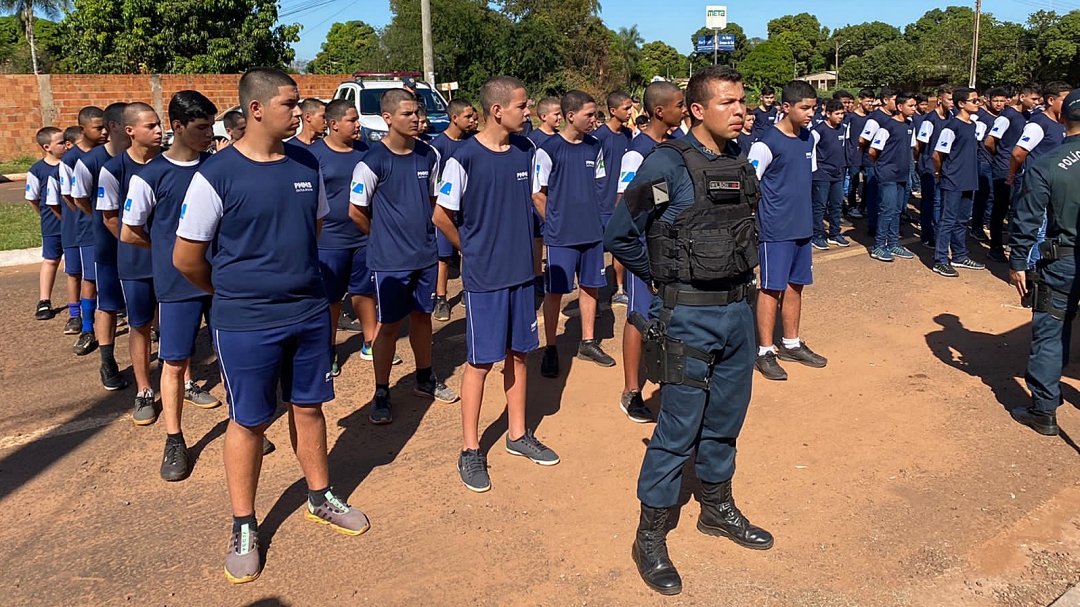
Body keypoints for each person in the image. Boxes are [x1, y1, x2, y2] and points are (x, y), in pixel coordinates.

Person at [175, 68, 370, 585]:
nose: (299, 111)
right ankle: (244, 523)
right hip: (245, 321)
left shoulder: (305, 162)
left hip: (308, 312)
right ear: (257, 109)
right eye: (289, 103)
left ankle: (319, 495)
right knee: (250, 420)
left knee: (309, 407)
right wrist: (232, 292)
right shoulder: (216, 175)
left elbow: (316, 224)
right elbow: (186, 256)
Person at [604, 65, 772, 597]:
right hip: (689, 317)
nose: (741, 110)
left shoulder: (738, 163)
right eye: (728, 102)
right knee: (678, 429)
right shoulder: (667, 166)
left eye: (742, 101)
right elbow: (620, 234)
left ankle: (716, 508)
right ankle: (650, 533)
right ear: (697, 110)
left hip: (738, 313)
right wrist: (664, 278)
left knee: (726, 418)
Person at [433, 75, 559, 493]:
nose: (529, 112)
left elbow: (537, 200)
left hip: (522, 274)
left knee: (520, 354)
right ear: (497, 110)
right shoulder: (464, 157)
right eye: (523, 106)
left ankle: (518, 434)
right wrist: (467, 249)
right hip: (485, 279)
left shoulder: (527, 151)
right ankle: (470, 449)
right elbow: (441, 216)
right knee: (480, 361)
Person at [119, 91, 223, 481]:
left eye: (211, 127)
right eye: (200, 128)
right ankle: (175, 439)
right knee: (175, 360)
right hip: (177, 284)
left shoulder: (217, 167)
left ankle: (240, 423)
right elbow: (130, 233)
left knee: (227, 352)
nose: (209, 135)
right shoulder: (151, 176)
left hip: (220, 280)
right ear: (177, 127)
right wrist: (170, 249)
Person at [349, 88, 460, 426]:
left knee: (423, 318)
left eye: (417, 112)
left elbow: (432, 203)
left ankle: (424, 378)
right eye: (407, 113)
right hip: (389, 262)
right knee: (389, 325)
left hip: (424, 256)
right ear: (387, 118)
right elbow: (355, 211)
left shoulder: (428, 156)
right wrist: (383, 237)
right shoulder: (372, 160)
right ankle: (381, 391)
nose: (416, 119)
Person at [1006, 88, 1080, 437]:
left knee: (1050, 333)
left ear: (1063, 117)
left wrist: (1018, 261)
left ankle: (1044, 410)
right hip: (1064, 258)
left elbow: (1026, 218)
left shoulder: (1048, 163)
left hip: (1061, 260)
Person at [614, 80, 685, 424]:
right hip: (644, 248)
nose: (684, 110)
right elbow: (626, 203)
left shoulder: (676, 147)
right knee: (639, 315)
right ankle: (631, 391)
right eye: (679, 105)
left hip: (672, 248)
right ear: (660, 111)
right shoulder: (636, 151)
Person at [533, 90, 617, 377]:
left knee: (591, 287)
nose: (595, 120)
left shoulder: (594, 146)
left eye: (595, 114)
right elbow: (537, 194)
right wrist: (555, 223)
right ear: (571, 116)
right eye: (589, 115)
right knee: (555, 291)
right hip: (561, 237)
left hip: (591, 233)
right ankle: (551, 348)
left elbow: (597, 184)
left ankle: (588, 342)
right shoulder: (548, 149)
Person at [749, 80, 828, 382]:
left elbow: (804, 179)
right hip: (775, 229)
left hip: (802, 227)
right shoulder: (766, 143)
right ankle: (765, 351)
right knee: (770, 288)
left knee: (796, 286)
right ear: (786, 107)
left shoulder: (809, 139)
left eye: (813, 108)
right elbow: (750, 185)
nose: (811, 113)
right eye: (805, 108)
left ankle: (791, 343)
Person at [98, 103, 163, 422]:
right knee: (140, 324)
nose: (159, 130)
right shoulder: (114, 169)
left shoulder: (168, 164)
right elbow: (111, 219)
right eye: (150, 126)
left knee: (175, 320)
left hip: (171, 260)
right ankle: (144, 389)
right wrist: (146, 245)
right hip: (136, 260)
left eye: (159, 124)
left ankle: (187, 380)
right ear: (130, 131)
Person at [308, 99, 373, 378]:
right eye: (352, 120)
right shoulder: (314, 155)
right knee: (332, 299)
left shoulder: (365, 150)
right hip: (329, 240)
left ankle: (372, 343)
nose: (358, 124)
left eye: (358, 119)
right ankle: (328, 348)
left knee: (365, 292)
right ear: (333, 124)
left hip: (363, 236)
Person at [73, 102, 129, 388]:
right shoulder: (91, 161)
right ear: (116, 127)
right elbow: (80, 198)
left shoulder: (146, 158)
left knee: (151, 302)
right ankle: (107, 361)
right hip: (108, 244)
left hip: (141, 245)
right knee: (107, 304)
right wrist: (100, 218)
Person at [1008, 81, 1072, 272]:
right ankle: (1029, 269)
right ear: (1051, 100)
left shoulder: (1062, 124)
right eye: (1065, 100)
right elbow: (1018, 153)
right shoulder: (1039, 124)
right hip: (1038, 186)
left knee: (1047, 230)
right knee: (1036, 229)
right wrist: (1013, 174)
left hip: (1056, 187)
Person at [62, 106, 109, 357]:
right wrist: (93, 217)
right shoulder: (71, 159)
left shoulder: (110, 153)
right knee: (89, 278)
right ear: (82, 130)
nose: (104, 132)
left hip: (113, 226)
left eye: (105, 127)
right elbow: (72, 197)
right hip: (89, 229)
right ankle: (88, 328)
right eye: (98, 128)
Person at [931, 86, 988, 277]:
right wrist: (941, 173)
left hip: (969, 179)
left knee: (962, 220)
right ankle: (940, 260)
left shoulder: (972, 125)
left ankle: (960, 255)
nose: (978, 103)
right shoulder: (952, 127)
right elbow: (937, 154)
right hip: (952, 179)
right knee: (947, 220)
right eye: (974, 100)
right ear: (961, 104)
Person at [430, 98, 479, 322]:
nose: (473, 120)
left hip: (468, 207)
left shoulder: (473, 142)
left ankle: (468, 291)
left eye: (474, 116)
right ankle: (441, 297)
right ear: (454, 118)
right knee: (443, 254)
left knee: (466, 249)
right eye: (468, 116)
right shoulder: (438, 146)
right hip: (446, 208)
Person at [984, 85, 1036, 262]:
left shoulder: (1027, 116)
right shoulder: (1007, 116)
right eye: (1034, 99)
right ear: (1022, 97)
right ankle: (995, 247)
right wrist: (1000, 156)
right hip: (1004, 168)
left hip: (1019, 166)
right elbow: (989, 141)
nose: (1037, 103)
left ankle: (1012, 244)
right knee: (1000, 208)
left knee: (1016, 207)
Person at [594, 91, 634, 305]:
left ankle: (619, 288)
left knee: (620, 245)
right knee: (597, 251)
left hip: (621, 203)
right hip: (602, 203)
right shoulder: (599, 137)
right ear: (612, 111)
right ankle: (595, 294)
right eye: (626, 108)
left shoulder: (628, 135)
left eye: (631, 107)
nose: (630, 112)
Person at [868, 91, 917, 261]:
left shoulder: (910, 125)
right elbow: (873, 150)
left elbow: (912, 148)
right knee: (887, 210)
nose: (913, 109)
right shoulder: (887, 126)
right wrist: (882, 167)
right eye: (910, 106)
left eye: (914, 106)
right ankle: (879, 246)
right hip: (887, 175)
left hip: (902, 175)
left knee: (897, 210)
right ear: (899, 107)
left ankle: (894, 243)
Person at [26, 127, 66, 321]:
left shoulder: (72, 164)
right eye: (60, 142)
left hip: (75, 225)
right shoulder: (37, 170)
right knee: (51, 260)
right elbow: (33, 198)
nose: (65, 144)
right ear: (47, 147)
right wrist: (44, 215)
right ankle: (44, 301)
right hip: (52, 225)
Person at [916, 85, 954, 248]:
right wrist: (919, 162)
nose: (952, 103)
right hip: (929, 166)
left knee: (942, 202)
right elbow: (919, 144)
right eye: (949, 99)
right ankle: (927, 234)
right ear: (939, 100)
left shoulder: (952, 116)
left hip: (946, 166)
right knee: (931, 202)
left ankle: (940, 233)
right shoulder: (930, 119)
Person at [810, 99, 850, 250]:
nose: (840, 116)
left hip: (837, 173)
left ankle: (834, 234)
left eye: (842, 114)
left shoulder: (842, 128)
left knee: (836, 204)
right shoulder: (818, 130)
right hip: (821, 174)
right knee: (819, 206)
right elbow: (810, 150)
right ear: (828, 114)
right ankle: (817, 235)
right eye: (837, 114)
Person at [858, 87, 897, 235]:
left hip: (890, 164)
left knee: (886, 198)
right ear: (885, 100)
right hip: (874, 163)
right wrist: (872, 160)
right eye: (894, 100)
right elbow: (863, 140)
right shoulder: (875, 118)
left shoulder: (894, 116)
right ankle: (873, 225)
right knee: (875, 195)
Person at [843, 89, 874, 218]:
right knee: (853, 181)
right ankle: (852, 206)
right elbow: (846, 137)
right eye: (868, 101)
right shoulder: (850, 117)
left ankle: (864, 206)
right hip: (854, 154)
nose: (870, 104)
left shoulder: (871, 117)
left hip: (867, 155)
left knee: (869, 181)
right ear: (860, 100)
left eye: (872, 101)